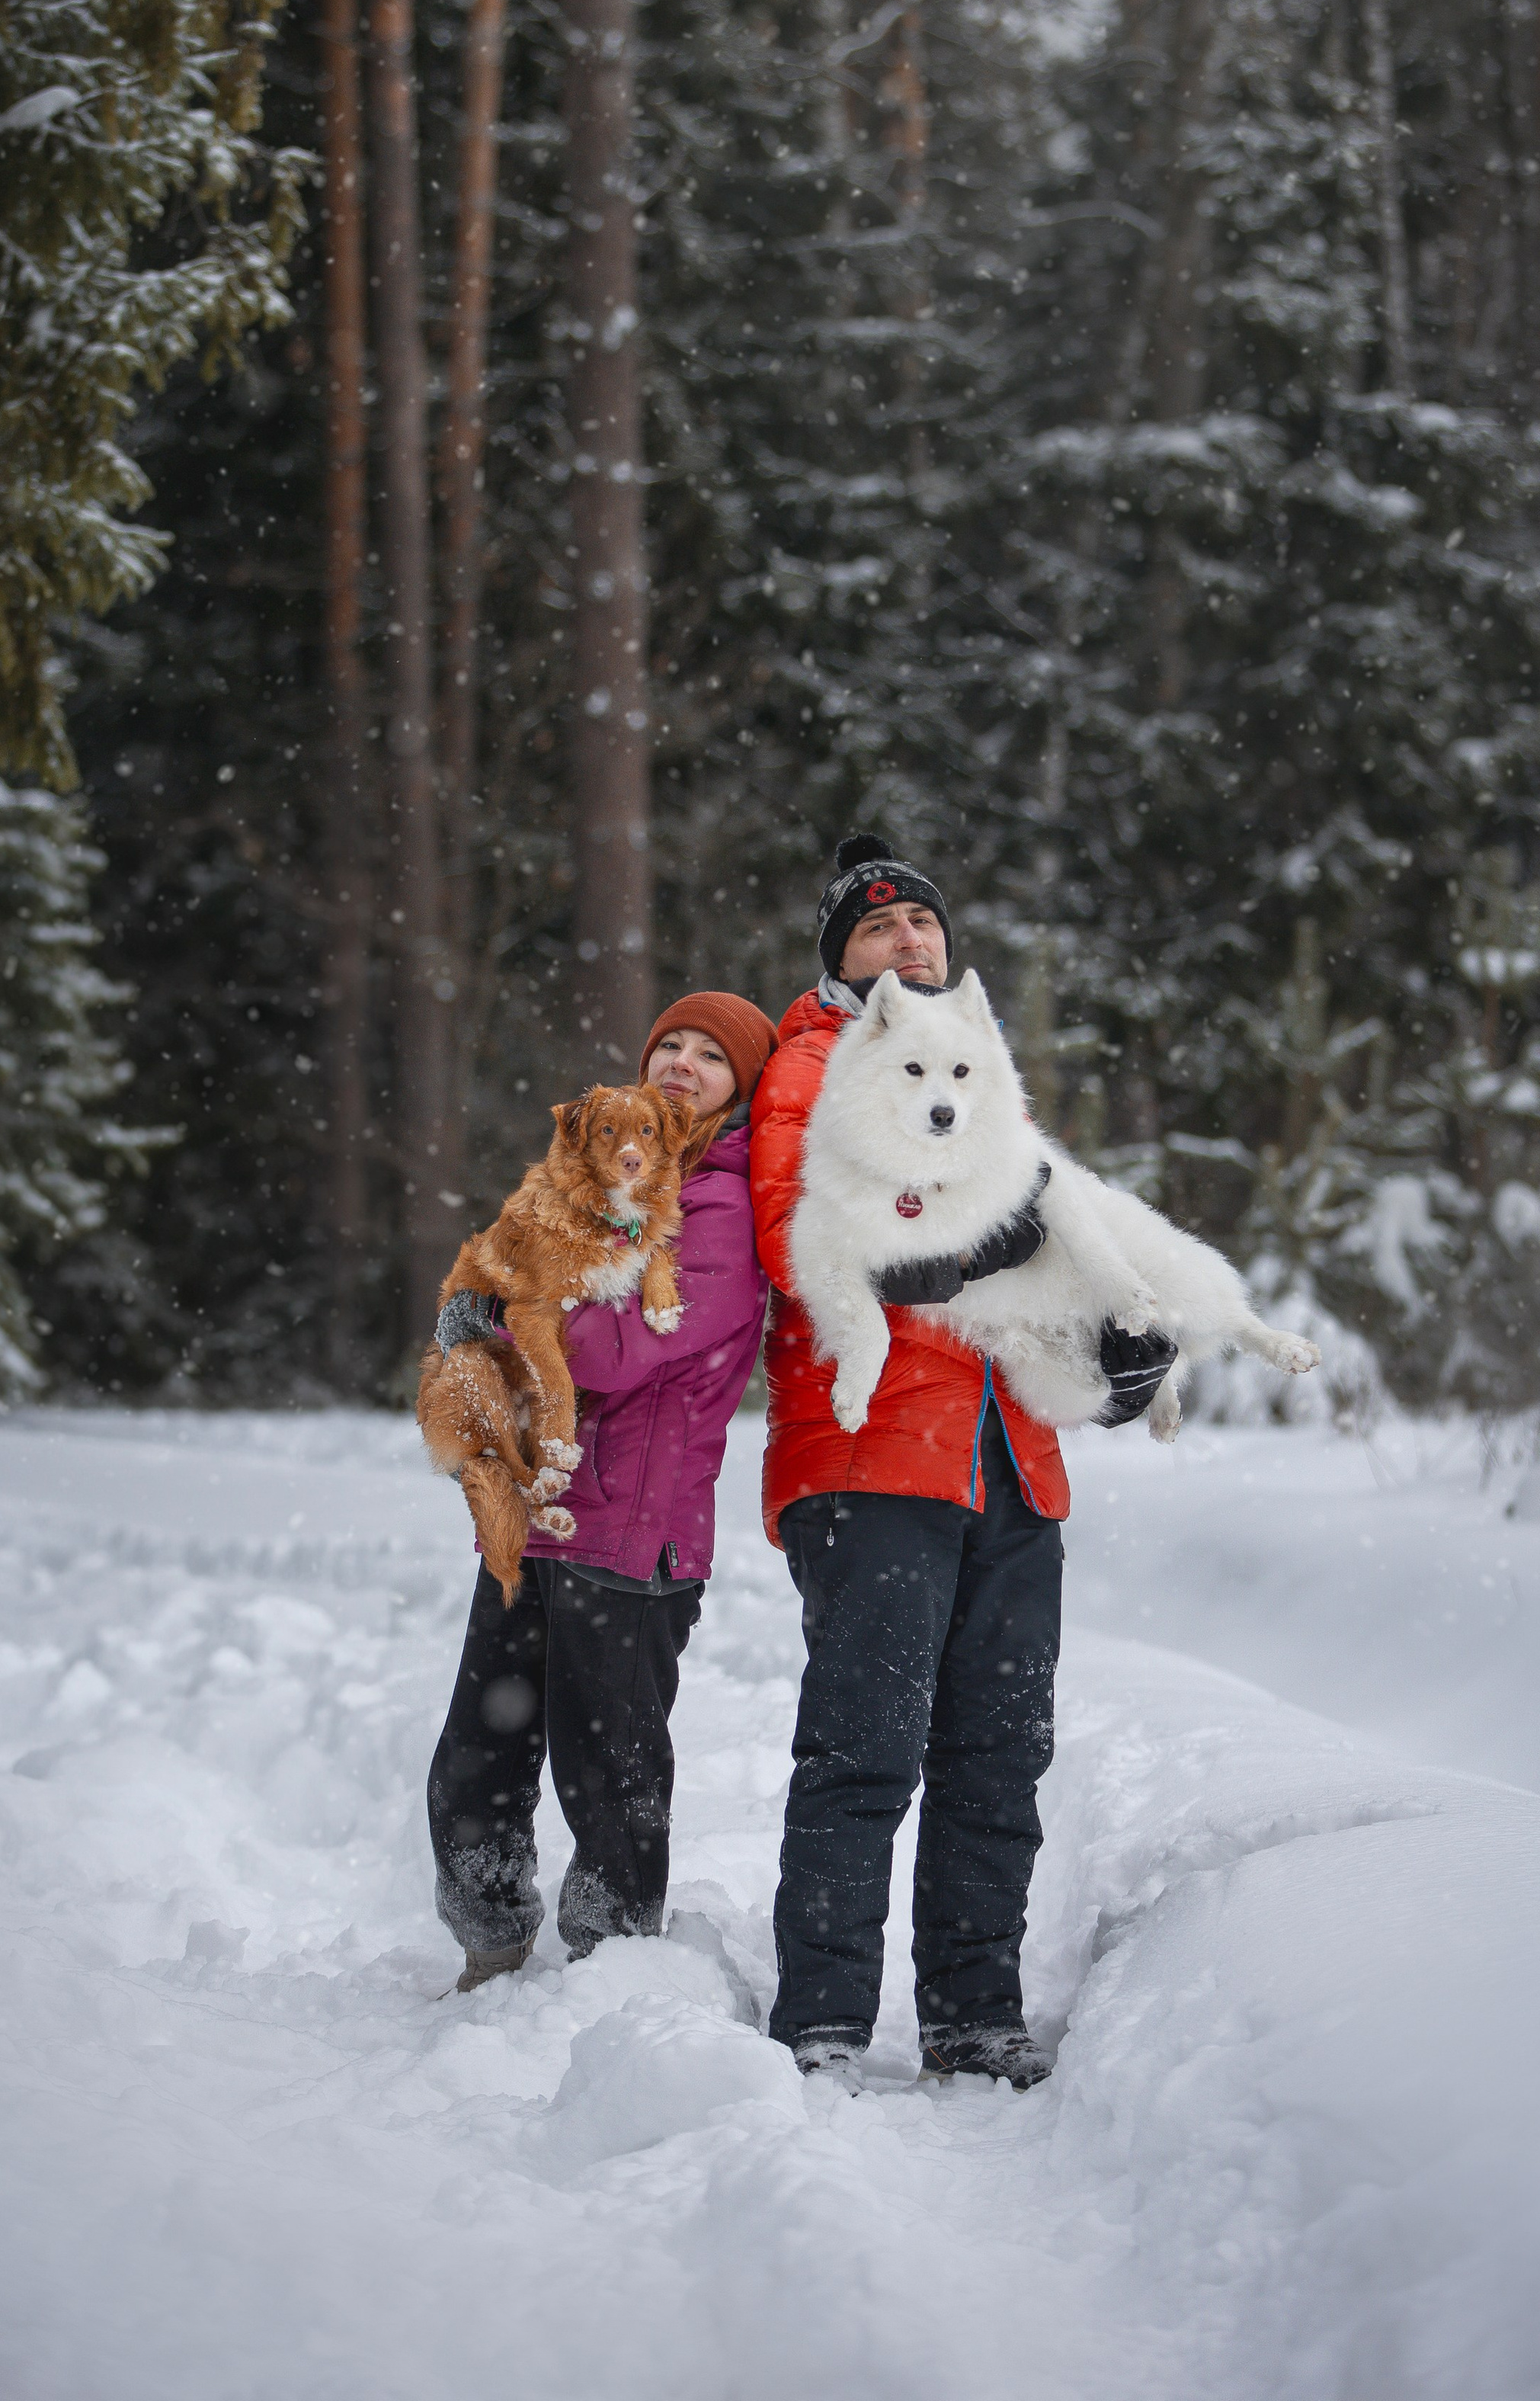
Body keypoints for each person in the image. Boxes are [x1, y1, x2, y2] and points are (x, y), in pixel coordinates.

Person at [749, 835, 1175, 2086]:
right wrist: (934, 1258)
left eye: (922, 924)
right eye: (878, 931)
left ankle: (973, 2016)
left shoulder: (975, 1067)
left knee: (1000, 1749)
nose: (909, 942)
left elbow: (1054, 1234)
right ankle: (821, 2021)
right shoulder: (814, 1067)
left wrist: (1111, 1353)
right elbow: (795, 1231)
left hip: (1012, 1460)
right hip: (873, 1451)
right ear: (844, 961)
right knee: (866, 1742)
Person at [427, 991, 778, 1989]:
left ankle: (615, 1961)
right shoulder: (592, 1179)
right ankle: (487, 1933)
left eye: (712, 1056)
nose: (682, 1061)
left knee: (611, 1771)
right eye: (669, 1042)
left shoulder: (722, 1204)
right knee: (478, 1750)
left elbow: (625, 1347)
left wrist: (499, 1316)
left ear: (741, 1087)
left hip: (636, 1538)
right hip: (538, 1517)